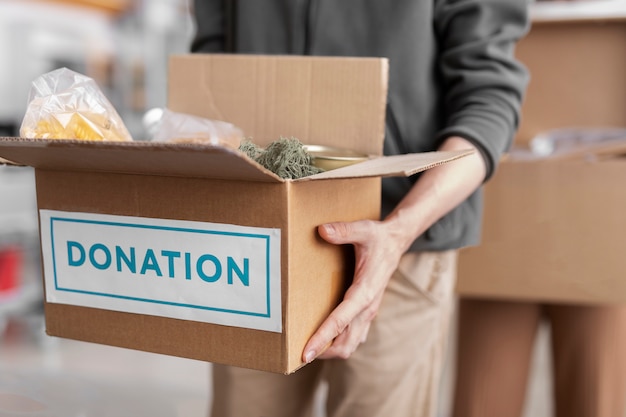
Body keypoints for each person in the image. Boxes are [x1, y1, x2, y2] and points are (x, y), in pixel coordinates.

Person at [191, 1, 529, 416]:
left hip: (400, 239)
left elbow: (489, 97)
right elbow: (211, 67)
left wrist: (400, 230)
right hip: (258, 235)